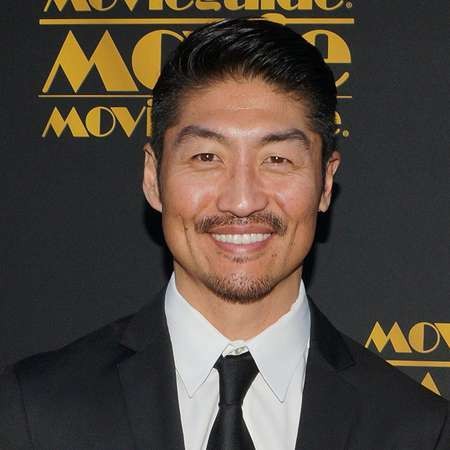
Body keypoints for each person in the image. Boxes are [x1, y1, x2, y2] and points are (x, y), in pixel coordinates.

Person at [0, 17, 448, 450]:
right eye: (207, 158)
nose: (242, 200)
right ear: (154, 178)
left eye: (277, 160)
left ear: (325, 183)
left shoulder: (417, 431)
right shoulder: (34, 411)